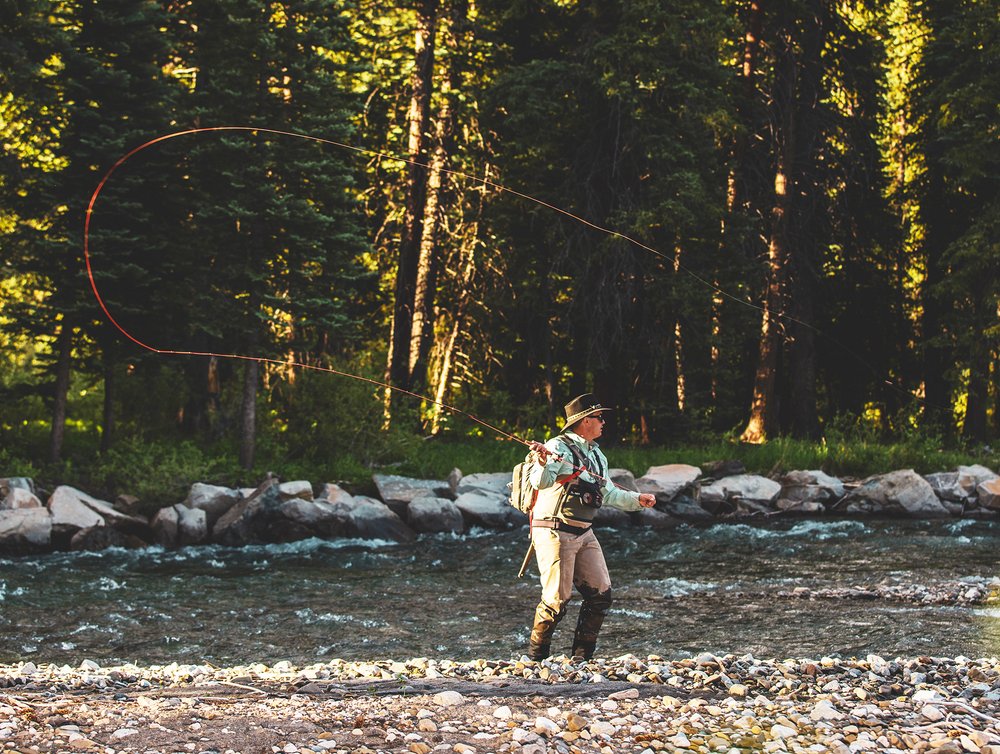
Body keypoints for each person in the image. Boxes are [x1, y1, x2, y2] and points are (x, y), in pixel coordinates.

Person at [524, 393, 656, 661]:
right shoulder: (556, 446)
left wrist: (638, 500)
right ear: (585, 421)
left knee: (600, 595)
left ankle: (582, 659)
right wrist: (542, 460)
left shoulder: (597, 455)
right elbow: (541, 482)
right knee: (556, 601)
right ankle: (536, 659)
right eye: (599, 417)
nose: (603, 422)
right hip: (555, 530)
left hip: (584, 532)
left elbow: (608, 493)